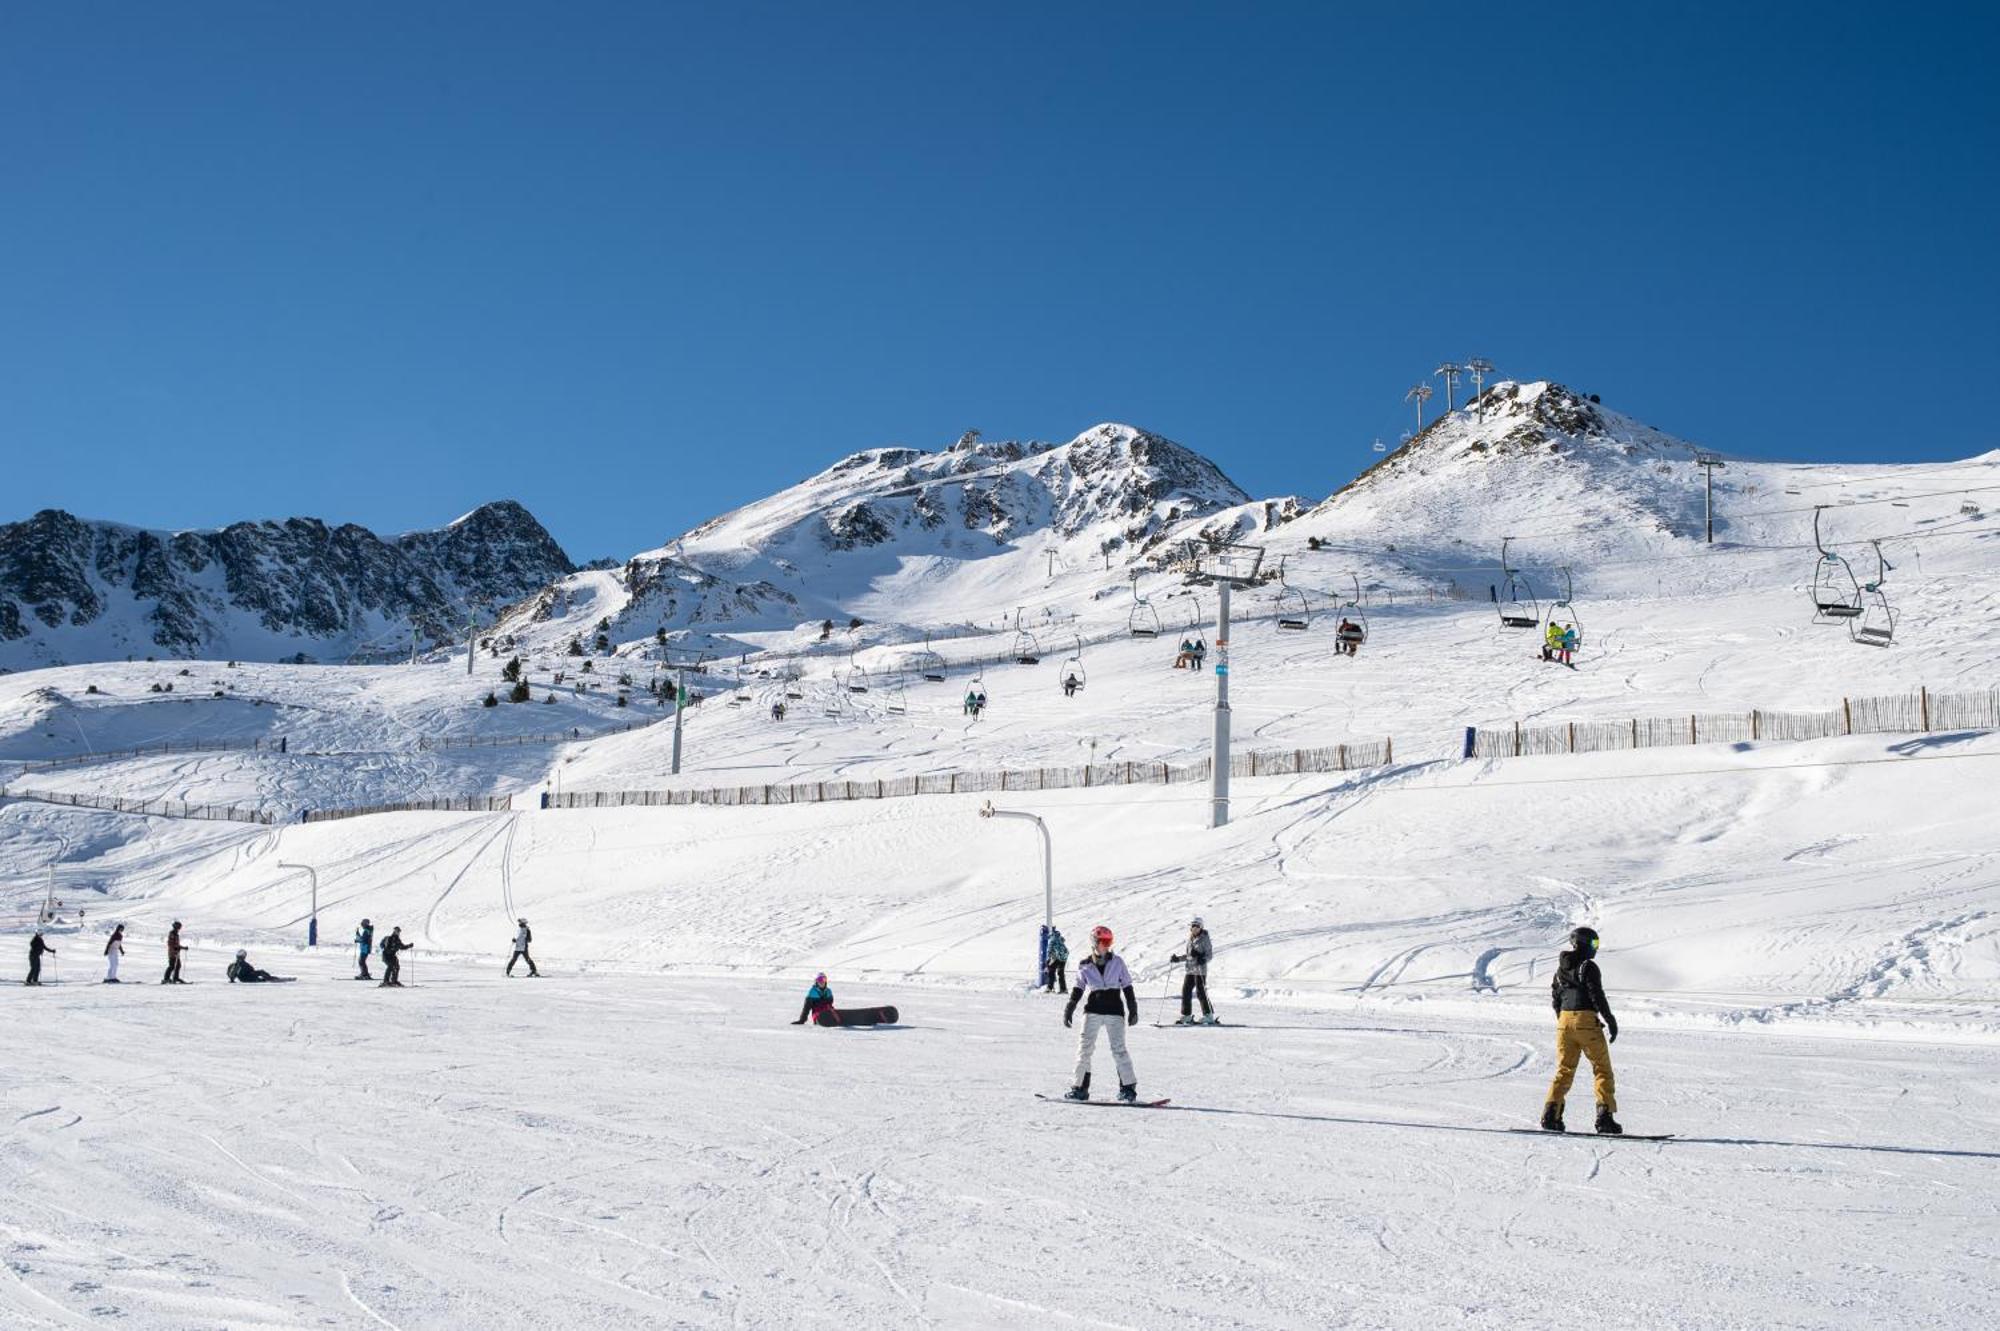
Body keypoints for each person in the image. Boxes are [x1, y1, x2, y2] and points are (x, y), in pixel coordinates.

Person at [1543, 926, 1622, 1135]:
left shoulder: (1560, 970)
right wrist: (1610, 1020)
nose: (1596, 948)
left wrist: (1566, 1021)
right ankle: (1605, 1118)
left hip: (1564, 1022)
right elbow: (1596, 994)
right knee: (1602, 1069)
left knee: (1564, 1069)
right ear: (1584, 943)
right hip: (1586, 1021)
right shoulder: (1588, 966)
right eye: (1594, 943)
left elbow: (1556, 999)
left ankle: (1551, 1115)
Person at [1062, 925, 1139, 1103]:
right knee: (1084, 1049)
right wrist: (1070, 1008)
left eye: (1109, 941)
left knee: (1119, 1050)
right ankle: (1079, 1088)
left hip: (1114, 1010)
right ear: (1095, 943)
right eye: (1104, 941)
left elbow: (1127, 986)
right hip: (1093, 1010)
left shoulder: (1117, 962)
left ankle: (1128, 1089)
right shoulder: (1085, 965)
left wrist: (1133, 1008)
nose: (1107, 945)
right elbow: (1078, 988)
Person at [1170, 918, 1216, 1025]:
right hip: (1190, 970)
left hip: (1200, 970)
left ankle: (1208, 1015)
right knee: (1186, 991)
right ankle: (1186, 1015)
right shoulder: (1190, 939)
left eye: (1197, 926)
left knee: (1201, 992)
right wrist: (1178, 959)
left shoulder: (1204, 939)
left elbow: (1209, 955)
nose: (1195, 928)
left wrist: (1202, 958)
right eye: (1193, 926)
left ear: (1201, 928)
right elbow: (1189, 955)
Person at [226, 949, 292, 983]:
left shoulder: (233, 964)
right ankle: (271, 979)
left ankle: (270, 978)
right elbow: (250, 970)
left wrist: (232, 980)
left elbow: (230, 973)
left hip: (245, 978)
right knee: (261, 972)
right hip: (247, 978)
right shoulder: (239, 964)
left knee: (261, 976)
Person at [1043, 927, 1070, 994]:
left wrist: (1048, 961)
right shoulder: (1060, 940)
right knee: (1061, 973)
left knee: (1051, 972)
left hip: (1056, 958)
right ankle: (1063, 989)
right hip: (1063, 959)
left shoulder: (1052, 940)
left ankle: (1050, 988)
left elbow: (1049, 951)